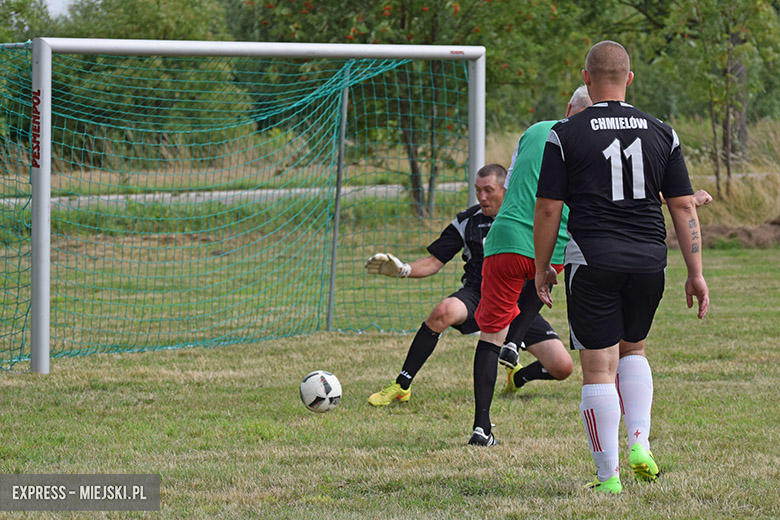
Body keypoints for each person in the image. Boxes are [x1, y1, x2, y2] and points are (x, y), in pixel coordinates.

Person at [533, 41, 709, 494]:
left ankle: (608, 478)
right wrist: (696, 272)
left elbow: (550, 208)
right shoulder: (662, 131)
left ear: (587, 78)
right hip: (650, 259)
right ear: (629, 78)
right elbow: (684, 208)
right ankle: (640, 444)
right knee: (635, 351)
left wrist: (542, 267)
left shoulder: (564, 132)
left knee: (597, 368)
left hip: (593, 258)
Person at [365, 163, 569, 407]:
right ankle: (402, 385)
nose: (482, 197)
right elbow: (433, 262)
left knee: (562, 367)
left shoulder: (530, 219)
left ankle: (518, 377)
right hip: (477, 295)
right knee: (444, 311)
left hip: (518, 303)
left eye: (489, 190)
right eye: (478, 190)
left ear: (506, 189)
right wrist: (402, 270)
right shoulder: (467, 220)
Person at [467, 86, 593, 447]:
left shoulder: (535, 130)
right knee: (547, 276)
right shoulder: (589, 141)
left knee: (489, 336)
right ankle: (517, 338)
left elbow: (511, 181)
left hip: (504, 238)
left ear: (569, 107)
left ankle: (481, 427)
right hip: (549, 237)